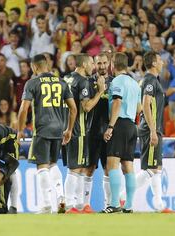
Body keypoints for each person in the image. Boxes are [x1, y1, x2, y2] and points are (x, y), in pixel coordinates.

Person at [17, 54, 77, 213]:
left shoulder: (33, 83)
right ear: (47, 65)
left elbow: (24, 109)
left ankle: (46, 204)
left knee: (42, 166)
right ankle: (60, 196)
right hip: (58, 129)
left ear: (34, 67)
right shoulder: (62, 82)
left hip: (42, 129)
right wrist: (69, 129)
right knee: (52, 164)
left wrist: (20, 129)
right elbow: (73, 108)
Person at [130, 51, 173, 213]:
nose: (162, 63)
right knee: (150, 169)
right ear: (154, 63)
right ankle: (121, 196)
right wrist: (153, 130)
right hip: (150, 129)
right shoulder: (149, 81)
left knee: (157, 168)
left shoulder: (151, 81)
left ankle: (159, 205)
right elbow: (145, 104)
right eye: (160, 60)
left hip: (153, 128)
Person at [62, 54, 105, 214]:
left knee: (78, 167)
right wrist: (100, 92)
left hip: (66, 127)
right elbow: (86, 107)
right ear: (85, 64)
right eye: (92, 63)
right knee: (76, 168)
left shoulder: (66, 78)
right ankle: (69, 205)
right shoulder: (82, 81)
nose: (93, 66)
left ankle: (79, 205)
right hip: (77, 129)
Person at [102, 52, 141, 213]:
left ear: (113, 65)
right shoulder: (134, 83)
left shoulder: (117, 81)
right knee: (128, 166)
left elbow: (117, 101)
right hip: (132, 125)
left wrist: (111, 126)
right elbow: (139, 108)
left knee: (113, 164)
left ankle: (114, 204)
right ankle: (129, 205)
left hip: (119, 124)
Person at [87, 53, 113, 209]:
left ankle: (109, 205)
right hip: (91, 131)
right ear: (94, 64)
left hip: (109, 132)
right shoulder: (88, 83)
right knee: (88, 169)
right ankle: (85, 205)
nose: (102, 66)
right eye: (99, 63)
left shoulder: (115, 82)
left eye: (104, 63)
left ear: (109, 63)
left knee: (108, 169)